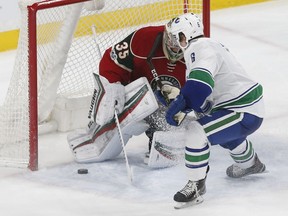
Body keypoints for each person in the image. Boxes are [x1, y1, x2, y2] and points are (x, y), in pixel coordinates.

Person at [157, 13, 266, 209]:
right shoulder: (201, 48)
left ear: (186, 35)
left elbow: (199, 88)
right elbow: (203, 100)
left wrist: (180, 104)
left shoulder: (200, 48)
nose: (173, 42)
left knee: (197, 132)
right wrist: (182, 104)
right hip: (242, 107)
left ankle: (196, 187)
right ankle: (250, 164)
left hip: (243, 110)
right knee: (223, 133)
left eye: (176, 36)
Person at [68, 24, 189, 165]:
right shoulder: (144, 38)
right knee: (116, 107)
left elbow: (205, 92)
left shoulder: (200, 54)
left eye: (179, 44)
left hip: (172, 101)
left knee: (171, 123)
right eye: (171, 42)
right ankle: (96, 134)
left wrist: (188, 107)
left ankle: (166, 143)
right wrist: (113, 84)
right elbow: (111, 60)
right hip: (135, 91)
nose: (174, 48)